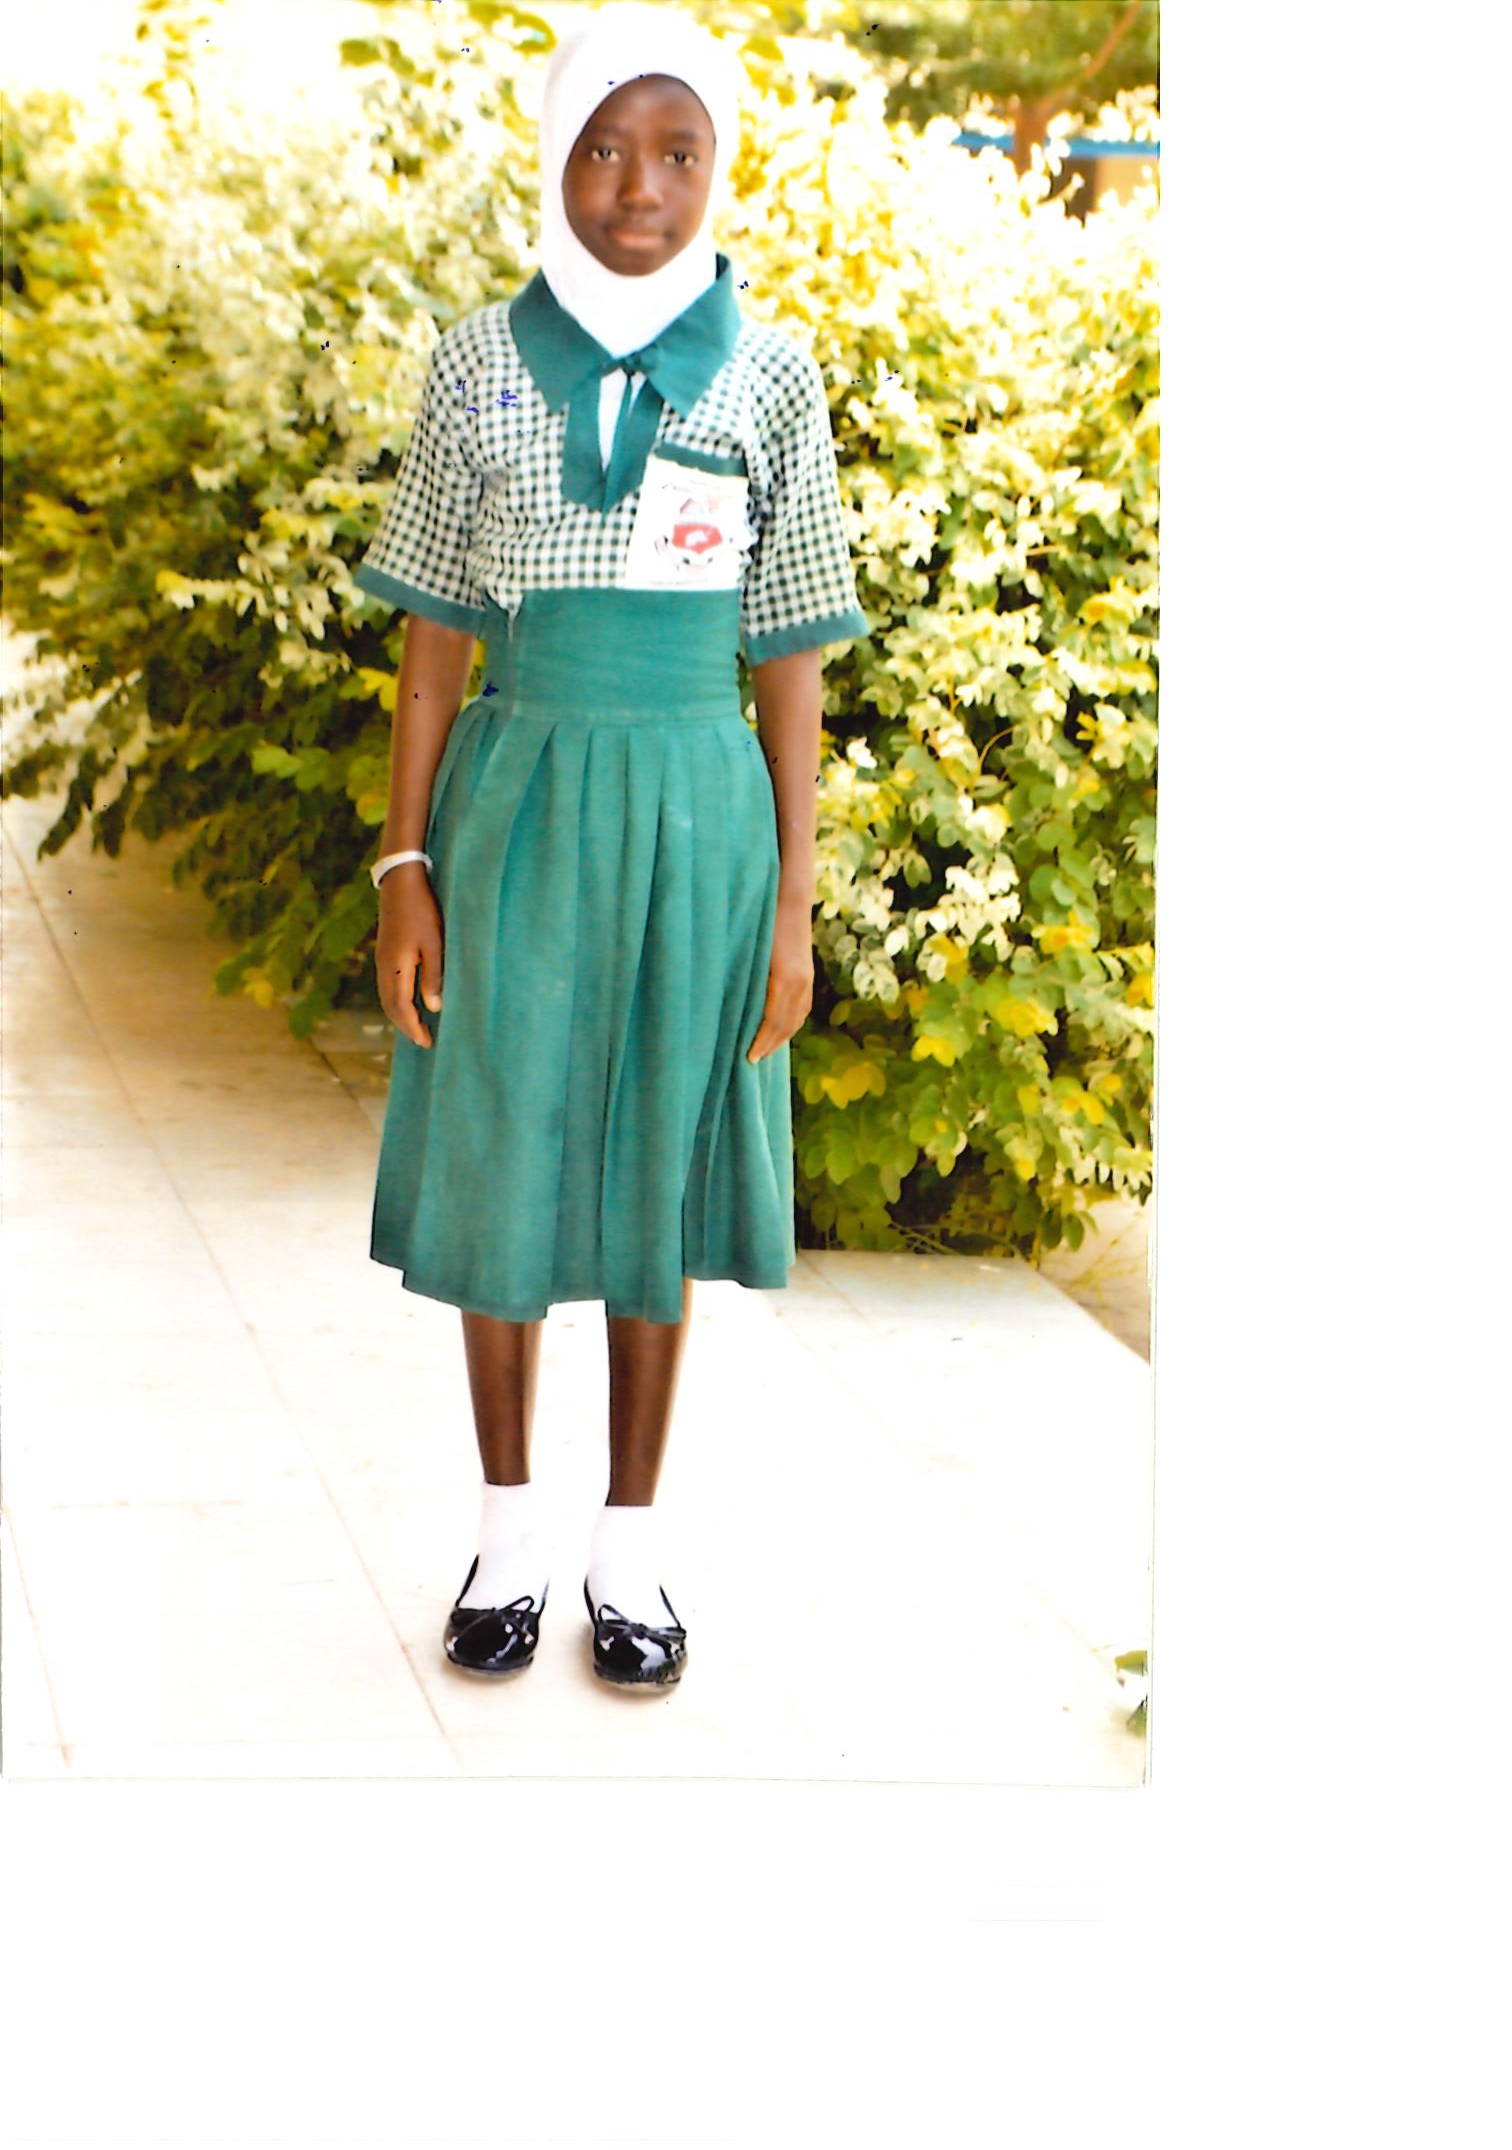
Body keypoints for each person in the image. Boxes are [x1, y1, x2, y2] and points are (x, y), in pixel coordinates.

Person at [353, 1, 868, 1690]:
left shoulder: (770, 374)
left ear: (719, 169)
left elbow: (790, 658)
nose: (638, 187)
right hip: (515, 814)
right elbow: (436, 638)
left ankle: (627, 1550)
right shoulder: (477, 365)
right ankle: (506, 1533)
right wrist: (406, 868)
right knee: (504, 1151)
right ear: (553, 160)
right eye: (601, 149)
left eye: (676, 152)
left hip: (702, 826)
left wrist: (790, 908)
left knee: (662, 1159)